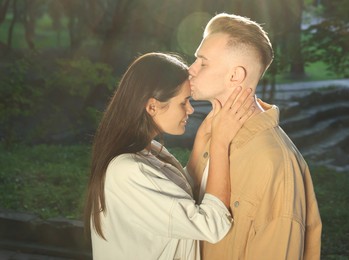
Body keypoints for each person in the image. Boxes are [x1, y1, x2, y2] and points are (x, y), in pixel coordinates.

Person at [84, 52, 255, 260]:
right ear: (152, 106)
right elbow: (212, 224)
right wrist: (220, 143)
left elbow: (175, 196)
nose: (190, 109)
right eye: (184, 102)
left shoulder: (148, 151)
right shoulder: (127, 170)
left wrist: (202, 137)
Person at [187, 13, 322, 259]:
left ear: (235, 76)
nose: (191, 69)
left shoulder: (275, 161)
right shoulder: (212, 133)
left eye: (202, 63)